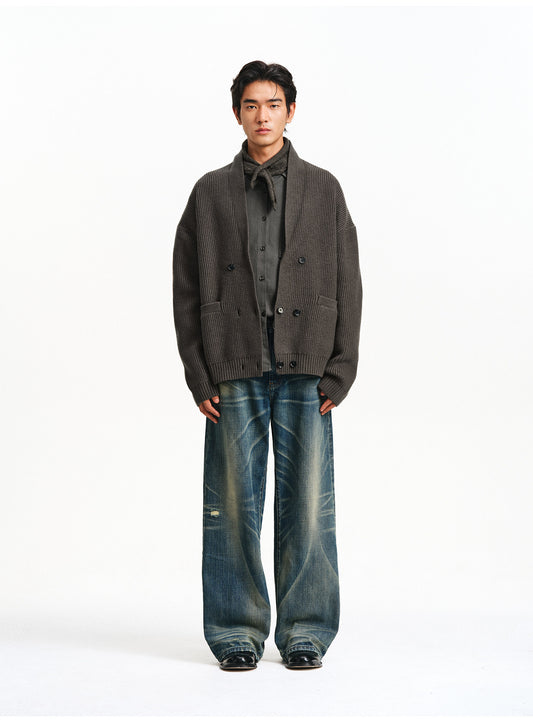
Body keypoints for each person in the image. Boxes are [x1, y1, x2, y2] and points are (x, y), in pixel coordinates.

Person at [172, 60, 362, 671]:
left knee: (307, 504)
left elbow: (348, 280)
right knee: (232, 505)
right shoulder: (209, 193)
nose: (263, 115)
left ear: (291, 111)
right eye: (251, 104)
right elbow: (185, 288)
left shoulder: (324, 189)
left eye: (273, 104)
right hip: (234, 364)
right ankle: (236, 631)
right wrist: (199, 374)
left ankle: (306, 630)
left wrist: (341, 369)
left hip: (308, 366)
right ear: (237, 113)